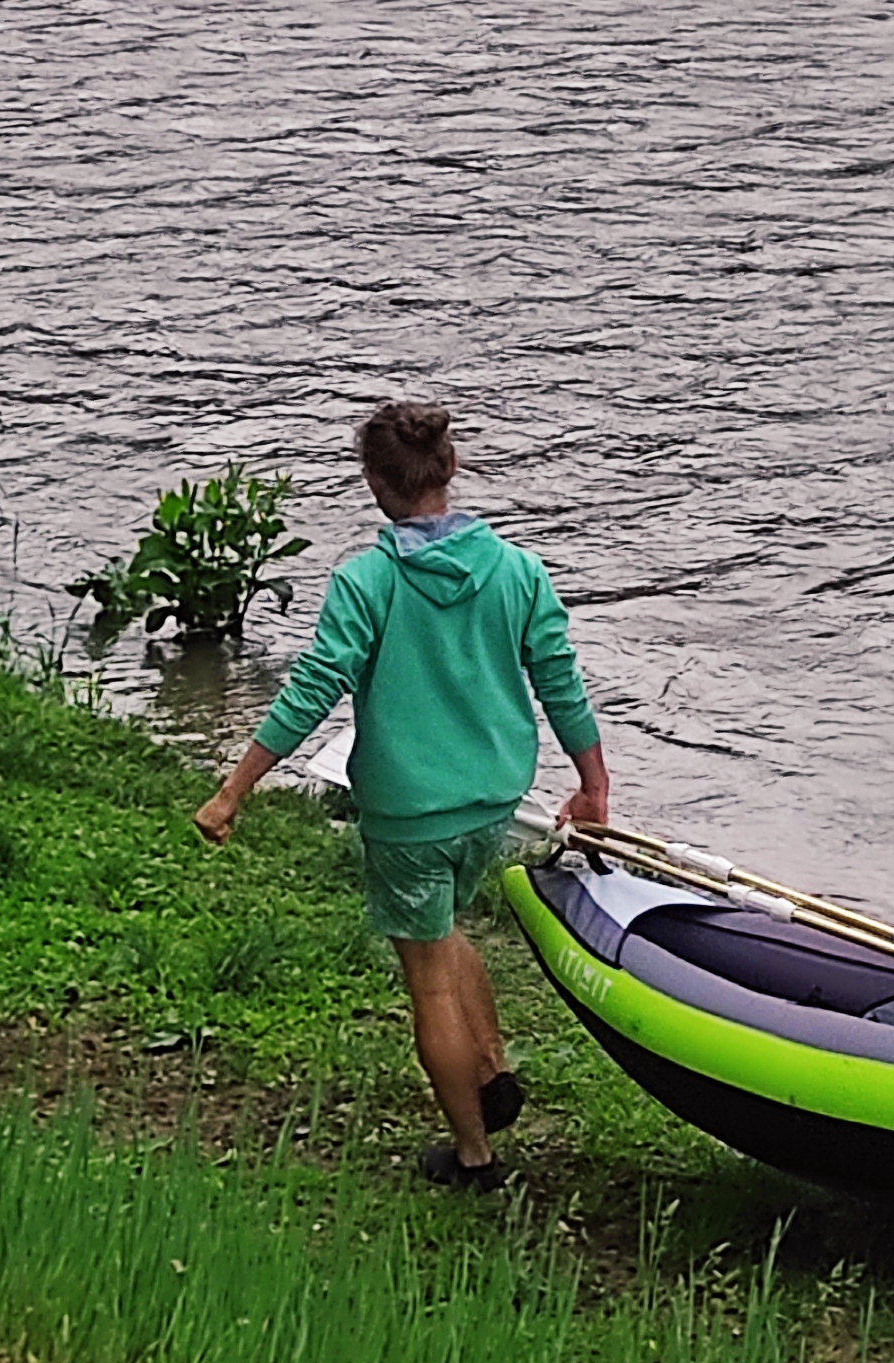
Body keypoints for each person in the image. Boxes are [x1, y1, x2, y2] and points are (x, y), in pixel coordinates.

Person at [193, 399, 610, 1189]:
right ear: (450, 470)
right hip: (491, 801)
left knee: (425, 974)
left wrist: (234, 789)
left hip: (408, 814)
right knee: (444, 929)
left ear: (375, 483)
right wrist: (593, 784)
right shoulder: (517, 571)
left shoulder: (368, 581)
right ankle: (490, 1068)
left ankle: (474, 1153)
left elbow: (315, 686)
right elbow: (559, 678)